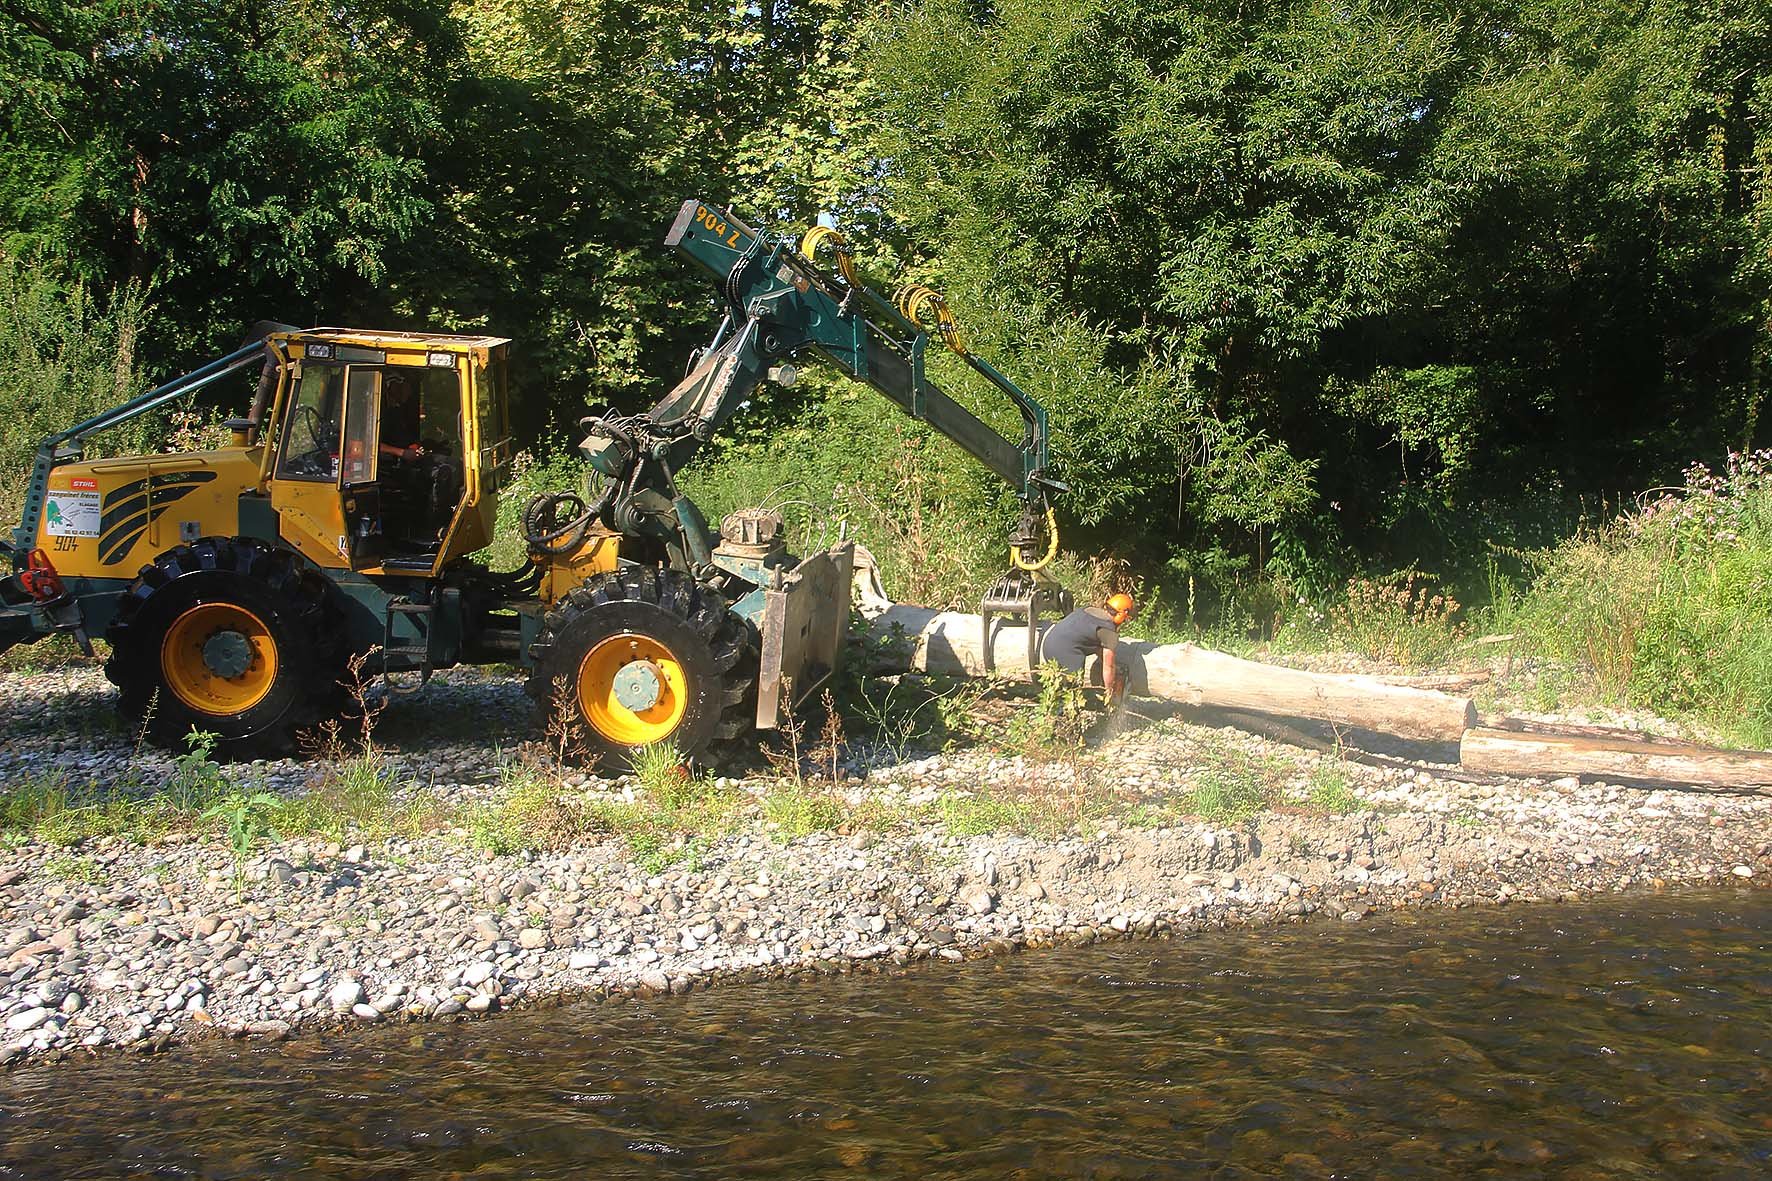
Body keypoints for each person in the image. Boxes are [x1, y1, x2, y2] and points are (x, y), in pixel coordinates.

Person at [1041, 592, 1136, 702]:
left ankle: (1052, 709)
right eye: (1125, 619)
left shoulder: (1089, 609)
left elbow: (1092, 643)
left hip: (1049, 643)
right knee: (1072, 692)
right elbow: (1108, 666)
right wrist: (1109, 691)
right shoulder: (1108, 630)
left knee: (1057, 684)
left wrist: (1117, 667)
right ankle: (1063, 715)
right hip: (1065, 651)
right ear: (1122, 614)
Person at [379, 372, 423, 461]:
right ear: (392, 387)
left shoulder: (396, 412)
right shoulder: (375, 412)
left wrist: (414, 446)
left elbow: (400, 438)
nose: (409, 392)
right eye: (404, 387)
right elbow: (367, 444)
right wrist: (401, 452)